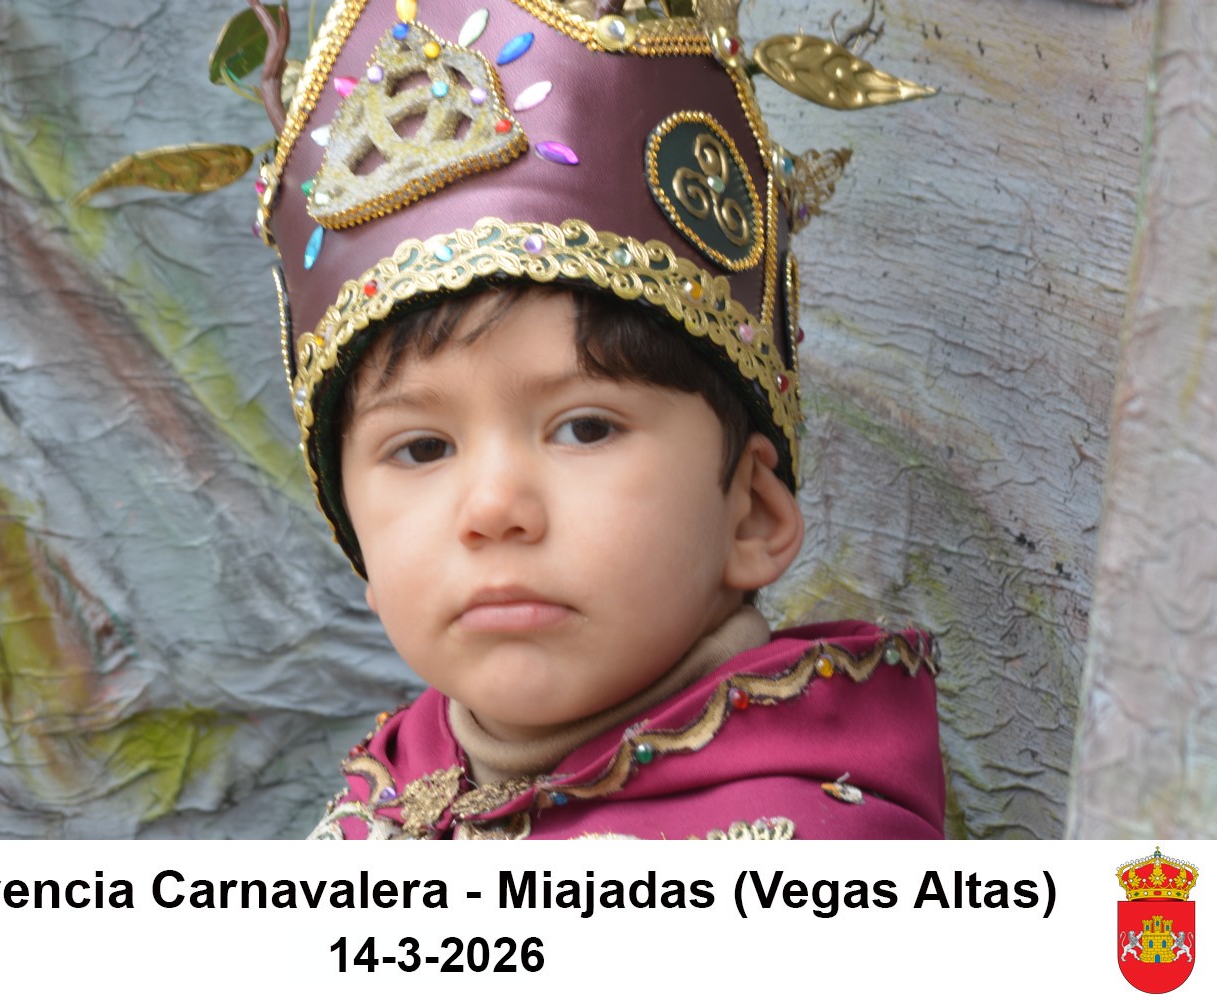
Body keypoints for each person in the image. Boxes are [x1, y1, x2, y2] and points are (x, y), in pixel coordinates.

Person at [246, 0, 945, 838]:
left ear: (751, 514)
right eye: (422, 447)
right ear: (354, 535)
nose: (494, 509)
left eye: (584, 429)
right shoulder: (382, 806)